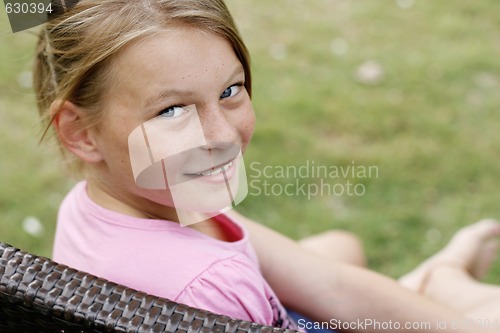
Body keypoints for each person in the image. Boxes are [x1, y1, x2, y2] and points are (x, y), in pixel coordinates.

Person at [33, 0, 500, 331]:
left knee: (342, 246)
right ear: (79, 132)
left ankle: (437, 282)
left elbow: (331, 284)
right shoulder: (208, 290)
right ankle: (443, 280)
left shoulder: (127, 199)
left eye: (230, 91)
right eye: (171, 110)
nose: (220, 136)